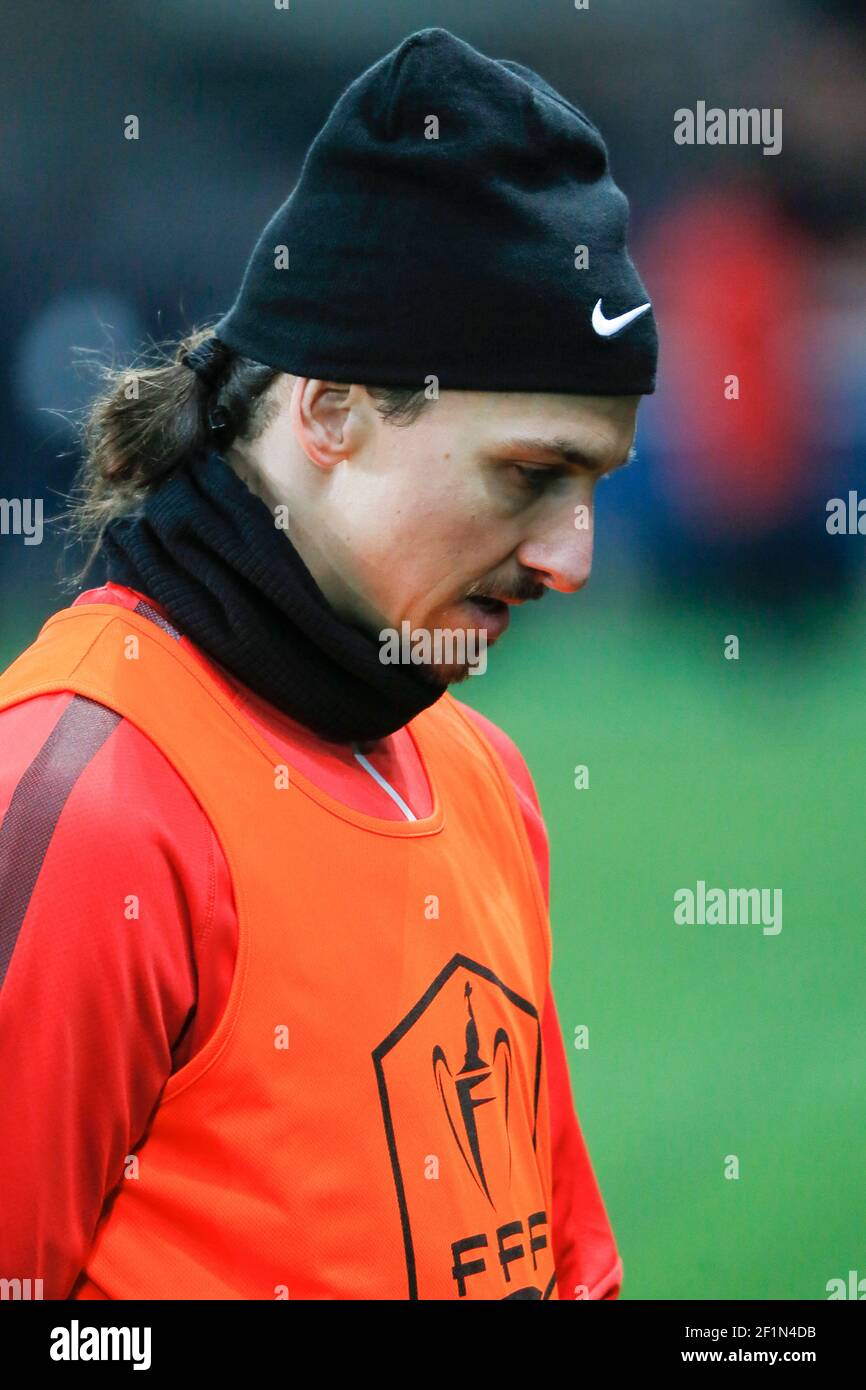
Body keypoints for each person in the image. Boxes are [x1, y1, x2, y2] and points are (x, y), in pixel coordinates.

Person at [0, 27, 657, 1300]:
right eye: (529, 475)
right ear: (329, 408)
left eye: (594, 483)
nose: (569, 557)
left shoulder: (480, 778)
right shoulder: (86, 800)